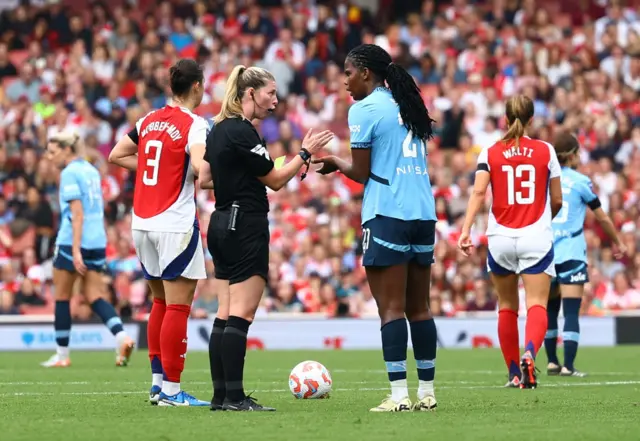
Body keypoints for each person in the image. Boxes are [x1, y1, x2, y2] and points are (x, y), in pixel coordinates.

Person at [312, 44, 438, 412]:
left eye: (348, 73)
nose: (345, 82)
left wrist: (336, 161)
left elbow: (361, 172)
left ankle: (399, 396)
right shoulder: (409, 103)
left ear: (366, 73)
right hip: (423, 214)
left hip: (387, 213)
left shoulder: (364, 109)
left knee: (391, 310)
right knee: (421, 309)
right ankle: (427, 393)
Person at [201, 64, 333, 412]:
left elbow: (204, 178)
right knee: (241, 315)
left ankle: (220, 396)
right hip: (245, 223)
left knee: (224, 313)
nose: (275, 101)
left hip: (219, 222)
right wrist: (304, 154)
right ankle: (235, 397)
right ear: (249, 94)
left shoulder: (216, 129)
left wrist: (241, 173)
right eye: (270, 93)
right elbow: (275, 180)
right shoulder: (243, 132)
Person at [109, 59, 210, 407]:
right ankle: (171, 391)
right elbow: (199, 167)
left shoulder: (148, 120)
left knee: (160, 302)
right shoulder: (194, 124)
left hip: (142, 223)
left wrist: (160, 170)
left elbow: (116, 154)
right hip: (174, 223)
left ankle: (156, 384)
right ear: (196, 86)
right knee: (178, 307)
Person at [458, 94, 563, 390]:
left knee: (506, 305)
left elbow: (478, 194)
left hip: (500, 237)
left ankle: (514, 372)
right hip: (535, 235)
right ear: (531, 120)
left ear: (505, 119)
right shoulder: (546, 151)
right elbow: (556, 199)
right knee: (537, 304)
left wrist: (465, 230)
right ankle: (530, 351)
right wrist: (544, 219)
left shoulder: (490, 152)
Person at [42, 132, 135, 368]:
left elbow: (77, 214)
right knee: (94, 296)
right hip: (97, 241)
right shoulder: (91, 170)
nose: (49, 156)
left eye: (52, 151)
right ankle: (121, 337)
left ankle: (62, 356)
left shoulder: (69, 173)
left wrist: (74, 251)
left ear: (66, 150)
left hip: (74, 241)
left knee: (62, 297)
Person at [544, 131, 628, 377]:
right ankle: (568, 366)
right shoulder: (581, 181)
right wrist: (618, 242)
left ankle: (551, 361)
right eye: (578, 152)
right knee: (570, 310)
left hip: (547, 252)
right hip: (571, 252)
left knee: (550, 309)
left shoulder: (545, 180)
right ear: (571, 155)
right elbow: (601, 217)